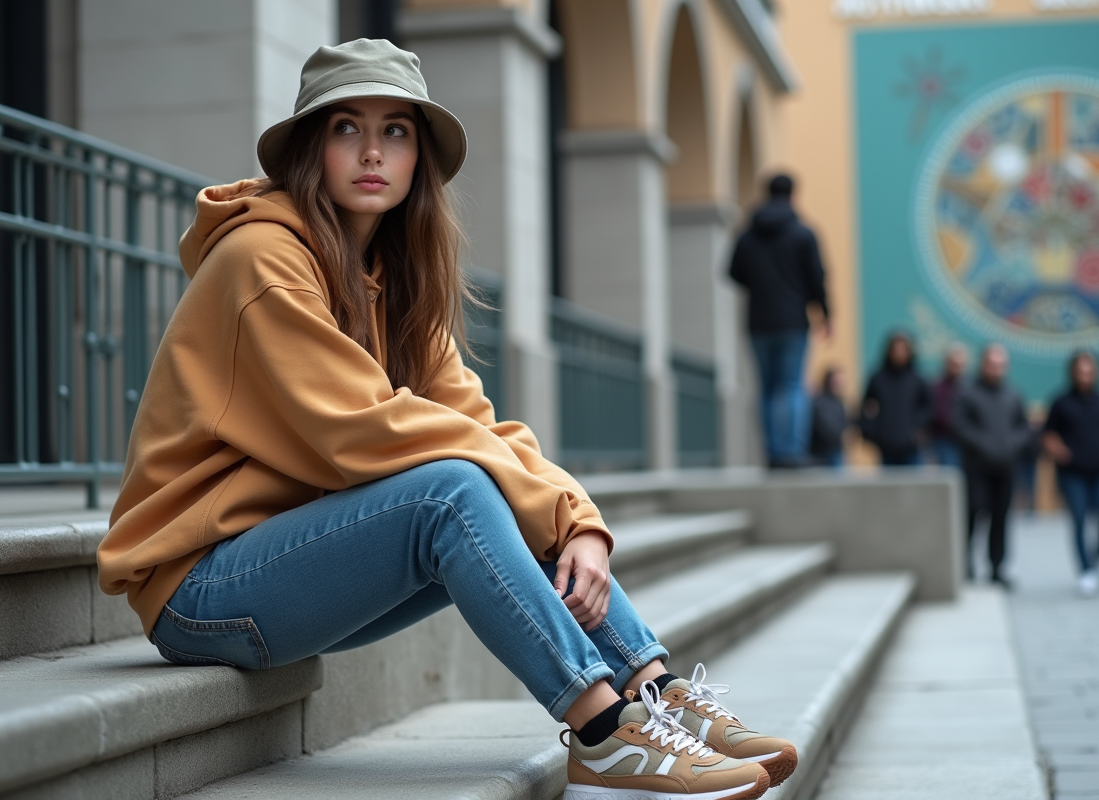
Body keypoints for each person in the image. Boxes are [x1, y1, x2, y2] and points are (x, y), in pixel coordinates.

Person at [95, 40, 792, 799]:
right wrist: (556, 506)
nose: (372, 151)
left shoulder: (392, 276)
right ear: (309, 147)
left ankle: (654, 692)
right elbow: (360, 429)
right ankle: (602, 733)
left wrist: (578, 524)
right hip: (200, 590)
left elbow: (477, 424)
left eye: (396, 130)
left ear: (418, 157)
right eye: (345, 128)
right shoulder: (261, 260)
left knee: (483, 479)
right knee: (454, 490)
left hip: (288, 564)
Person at [728, 173, 830, 469]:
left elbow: (733, 273)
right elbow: (817, 278)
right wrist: (825, 313)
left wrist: (761, 281)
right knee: (792, 385)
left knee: (767, 388)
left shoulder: (747, 234)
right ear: (793, 195)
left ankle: (772, 452)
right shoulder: (802, 233)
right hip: (793, 322)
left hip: (758, 322)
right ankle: (792, 451)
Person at [1043, 351, 1099, 596]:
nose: (1085, 375)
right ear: (1073, 372)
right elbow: (1048, 433)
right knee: (1080, 520)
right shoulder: (1061, 402)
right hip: (1074, 473)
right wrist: (1059, 450)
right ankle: (1085, 570)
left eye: (1089, 370)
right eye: (1080, 370)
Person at [953, 344, 1032, 588]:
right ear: (983, 364)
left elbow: (1023, 427)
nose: (996, 369)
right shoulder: (968, 393)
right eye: (992, 364)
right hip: (977, 467)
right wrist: (984, 444)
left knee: (1001, 519)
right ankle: (965, 566)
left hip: (1005, 467)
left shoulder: (1012, 394)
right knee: (972, 516)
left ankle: (997, 567)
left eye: (1000, 365)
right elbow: (960, 426)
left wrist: (1011, 444)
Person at [858, 332, 932, 466]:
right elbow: (866, 407)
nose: (899, 353)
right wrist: (873, 433)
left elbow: (928, 408)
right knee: (888, 486)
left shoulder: (917, 379)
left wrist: (915, 429)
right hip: (886, 449)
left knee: (913, 486)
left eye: (903, 349)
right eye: (896, 349)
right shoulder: (878, 379)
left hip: (911, 449)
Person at [928, 344, 967, 467]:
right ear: (946, 363)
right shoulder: (936, 387)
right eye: (953, 363)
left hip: (967, 442)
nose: (956, 367)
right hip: (943, 440)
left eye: (959, 364)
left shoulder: (971, 388)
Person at [810, 367, 849, 467]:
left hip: (836, 449)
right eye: (837, 380)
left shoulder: (839, 403)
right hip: (821, 451)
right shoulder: (820, 401)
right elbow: (823, 426)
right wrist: (837, 436)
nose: (840, 384)